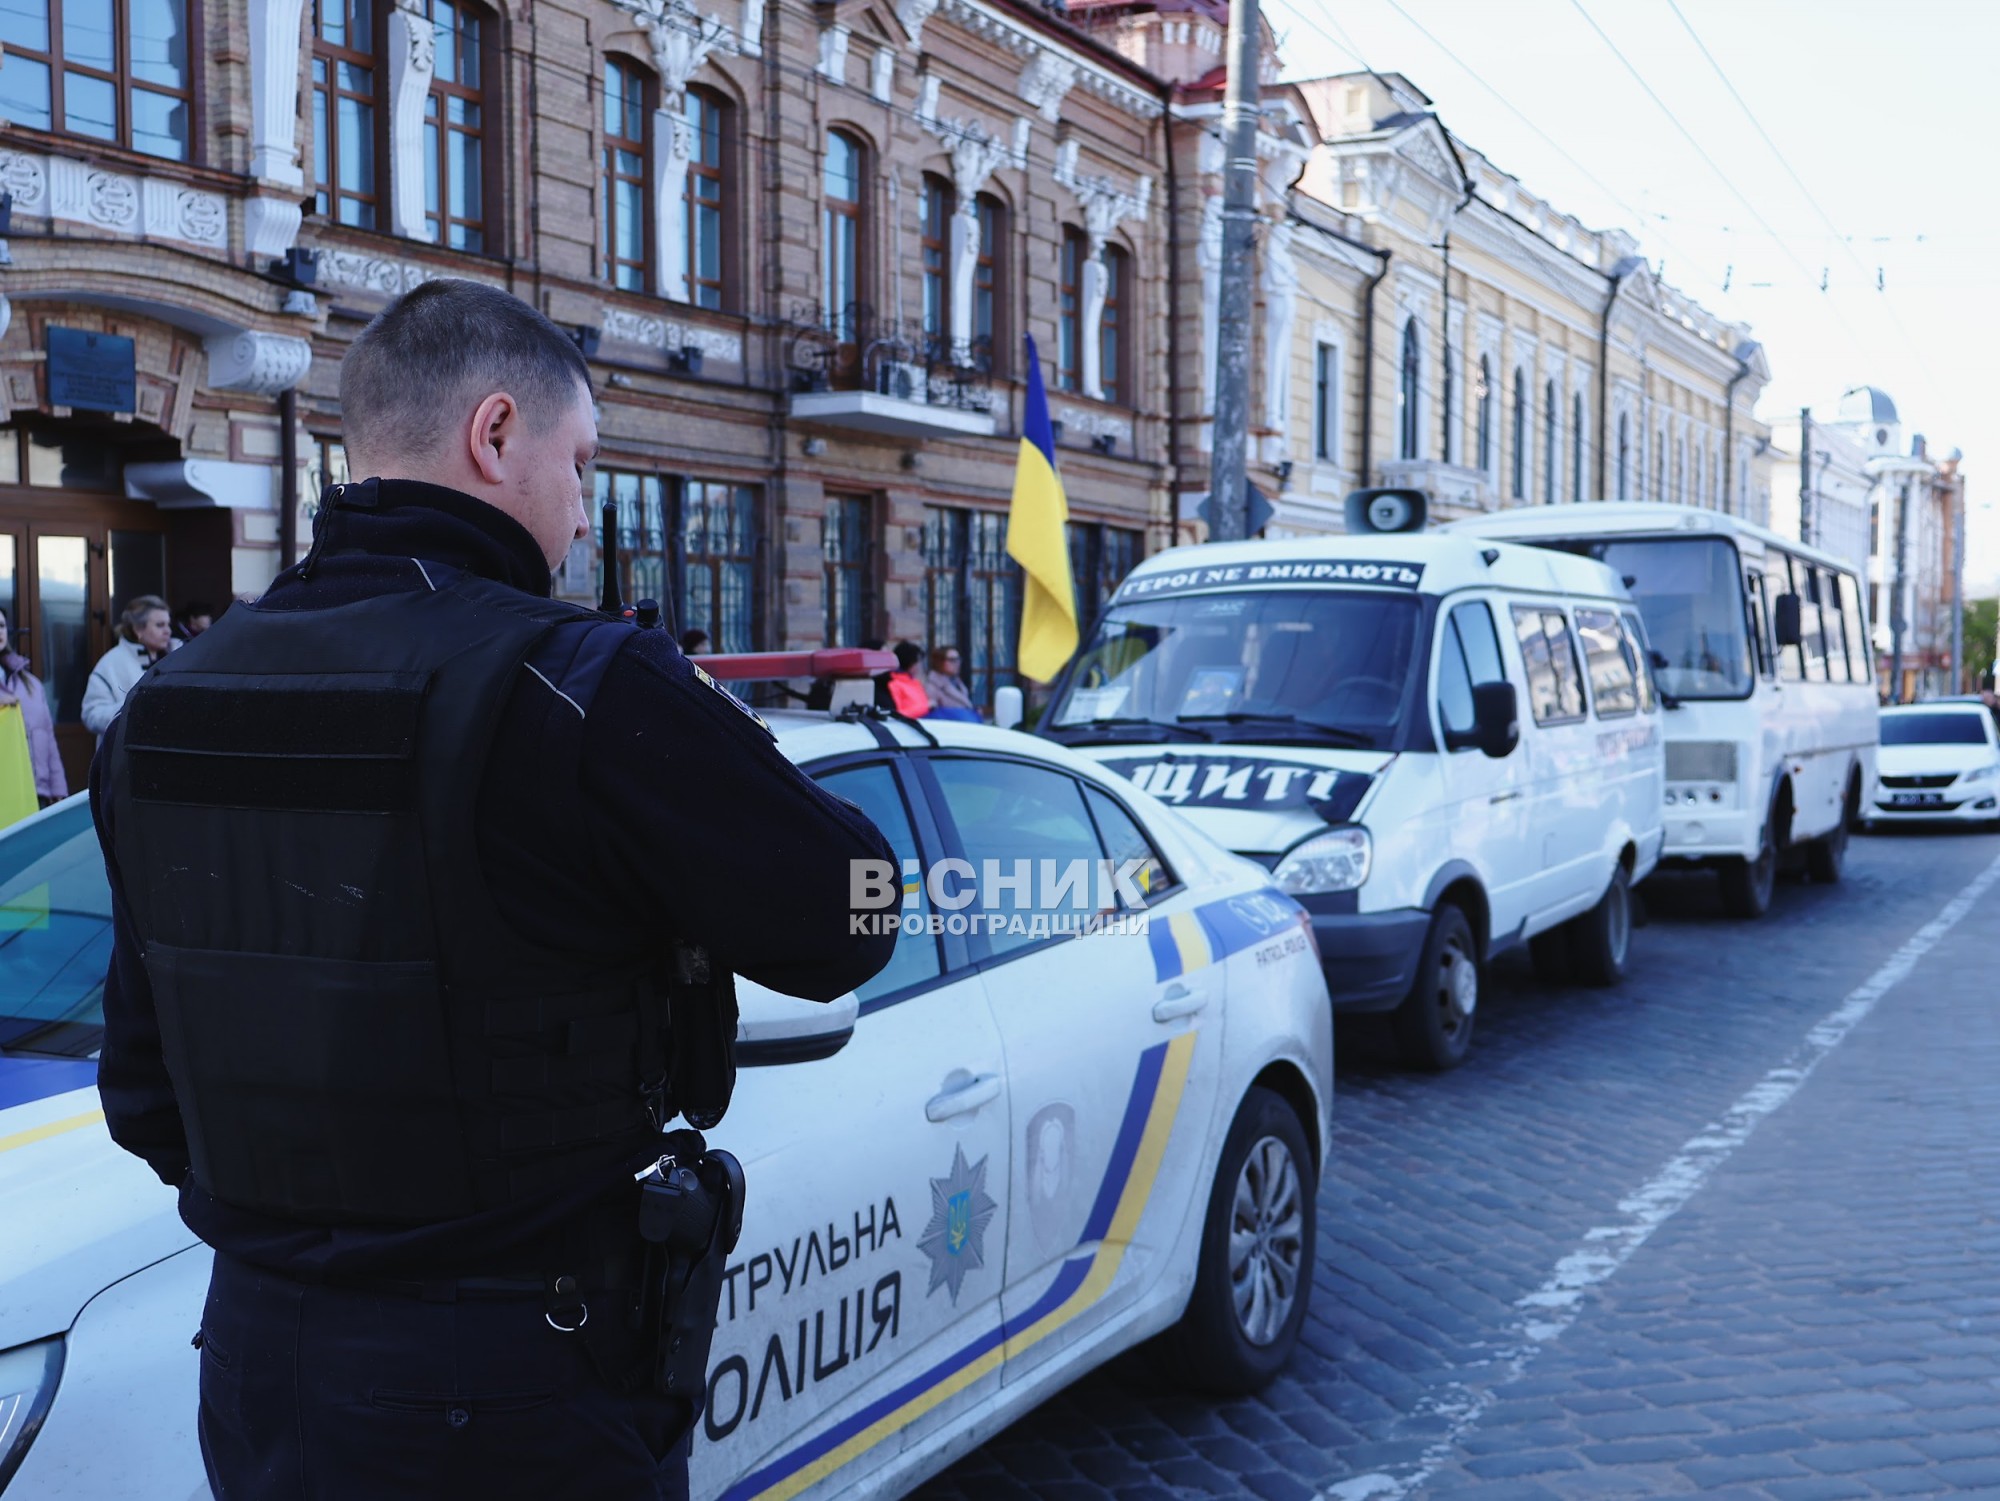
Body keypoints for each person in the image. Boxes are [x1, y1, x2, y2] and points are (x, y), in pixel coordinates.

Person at [89, 279, 898, 1501]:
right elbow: (849, 918)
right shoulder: (581, 685)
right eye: (580, 467)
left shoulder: (167, 700)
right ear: (496, 434)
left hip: (265, 1362)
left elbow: (147, 1093)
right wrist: (719, 742)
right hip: (518, 1373)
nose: (578, 516)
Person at [0, 607, 67, 808]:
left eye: (1, 626)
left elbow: (47, 737)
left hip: (38, 794)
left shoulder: (31, 684)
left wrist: (58, 788)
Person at [81, 595, 172, 740]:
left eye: (168, 624)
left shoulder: (178, 658)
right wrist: (133, 707)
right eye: (160, 625)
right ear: (138, 629)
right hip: (127, 756)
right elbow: (92, 715)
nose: (168, 631)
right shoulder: (110, 663)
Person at [922, 644, 981, 723]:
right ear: (940, 662)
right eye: (952, 660)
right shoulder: (932, 685)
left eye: (958, 659)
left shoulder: (955, 680)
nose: (957, 663)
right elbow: (933, 713)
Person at [885, 640, 932, 717]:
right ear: (909, 662)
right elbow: (898, 714)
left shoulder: (914, 682)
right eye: (917, 661)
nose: (919, 666)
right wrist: (926, 707)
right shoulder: (894, 684)